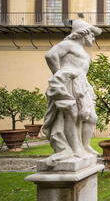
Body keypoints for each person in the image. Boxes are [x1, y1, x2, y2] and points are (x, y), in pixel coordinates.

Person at [42, 20, 102, 166]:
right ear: (84, 33)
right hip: (69, 82)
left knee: (90, 117)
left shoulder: (82, 50)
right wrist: (59, 74)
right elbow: (50, 55)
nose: (93, 38)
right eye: (92, 35)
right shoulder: (69, 44)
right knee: (72, 115)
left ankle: (84, 145)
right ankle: (75, 148)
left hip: (81, 84)